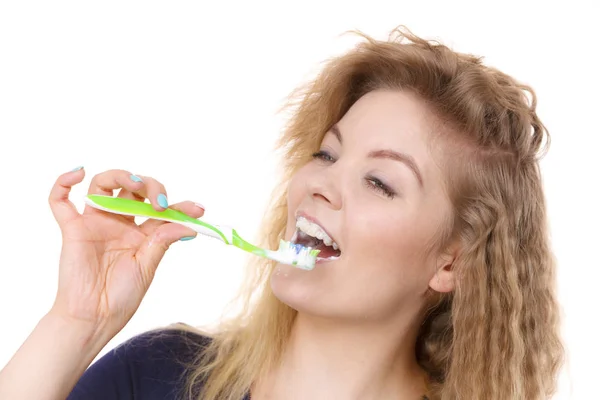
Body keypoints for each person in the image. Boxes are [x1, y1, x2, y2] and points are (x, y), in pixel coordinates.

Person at [0, 26, 563, 400]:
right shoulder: (156, 376)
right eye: (327, 153)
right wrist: (77, 322)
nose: (320, 184)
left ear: (451, 262)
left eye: (378, 182)